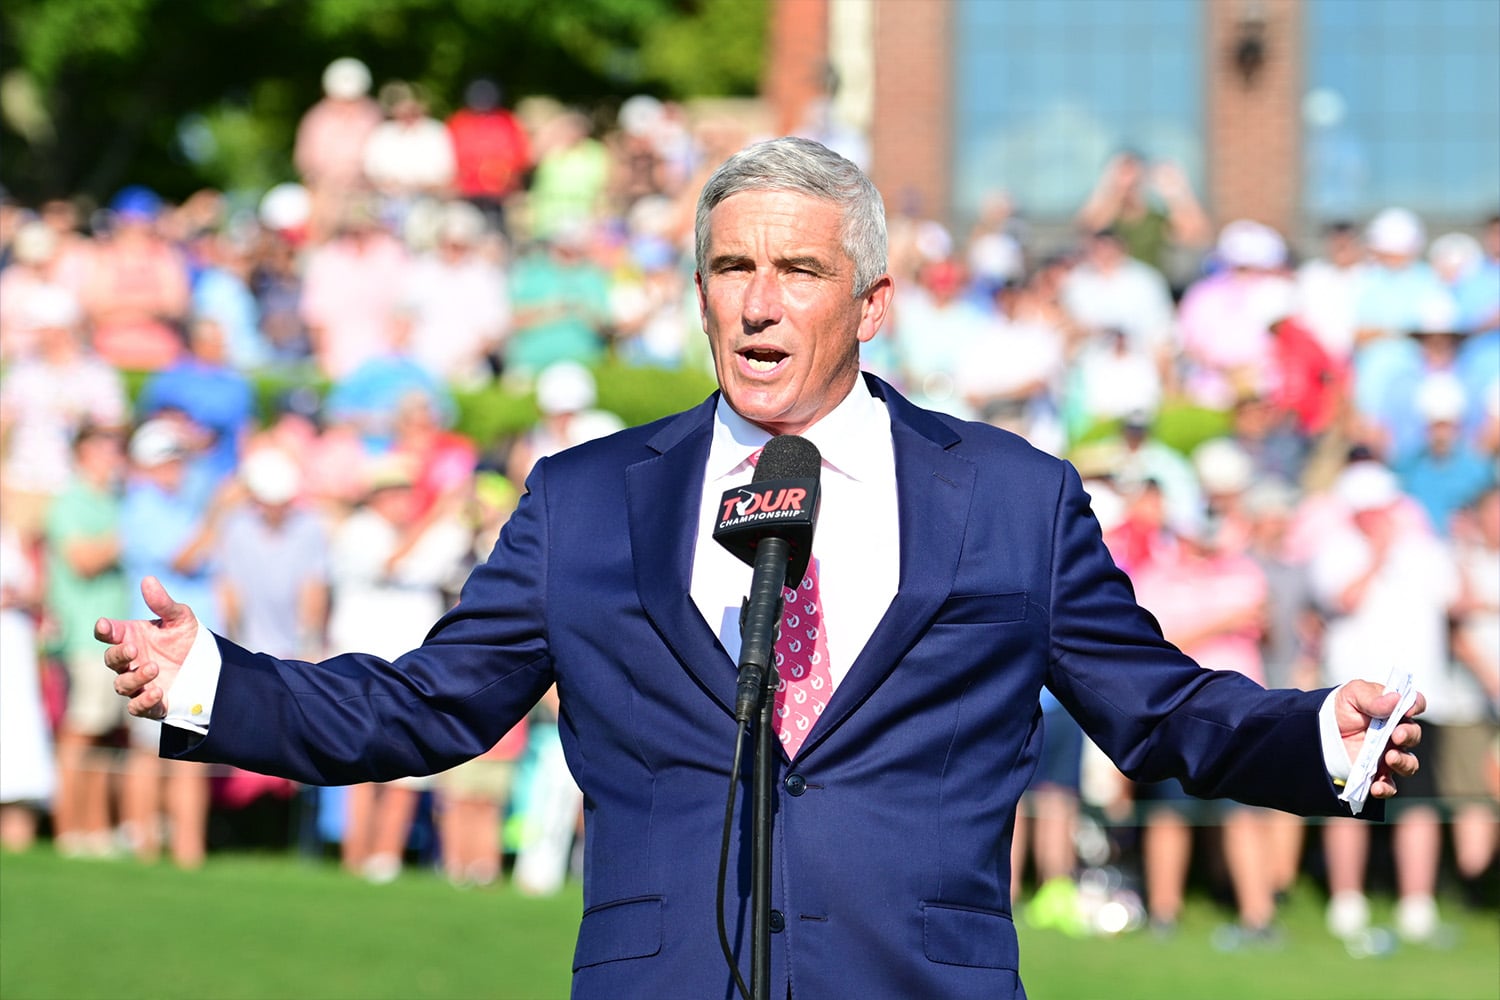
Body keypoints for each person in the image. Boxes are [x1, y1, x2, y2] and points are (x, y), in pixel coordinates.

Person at [100, 137, 1424, 999]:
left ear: (873, 303)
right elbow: (427, 704)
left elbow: (1159, 709)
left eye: (798, 269)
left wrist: (1320, 736)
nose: (758, 300)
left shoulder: (1008, 497)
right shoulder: (586, 500)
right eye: (730, 267)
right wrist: (214, 682)